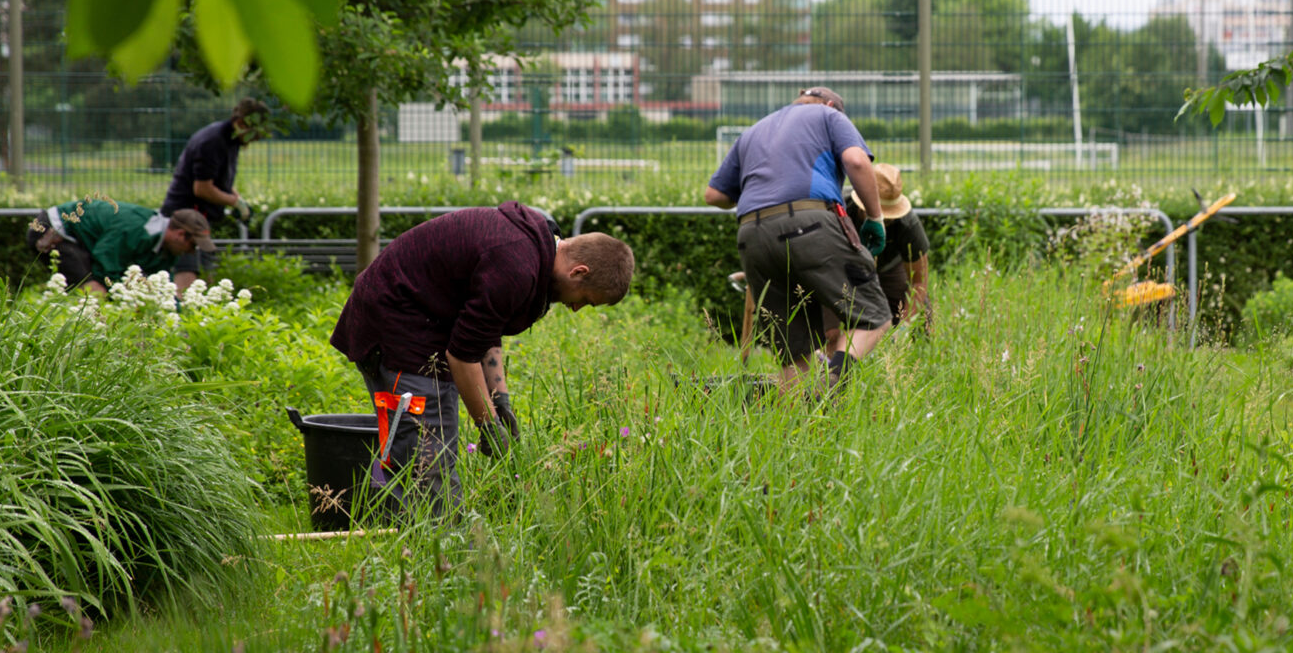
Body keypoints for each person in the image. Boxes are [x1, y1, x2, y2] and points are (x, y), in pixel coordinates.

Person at [328, 201, 634, 517]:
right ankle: (445, 551)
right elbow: (461, 356)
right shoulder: (517, 266)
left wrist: (500, 400)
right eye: (585, 300)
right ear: (578, 271)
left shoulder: (535, 247)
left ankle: (405, 536)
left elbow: (484, 329)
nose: (575, 309)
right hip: (395, 330)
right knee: (429, 456)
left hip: (416, 323)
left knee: (411, 449)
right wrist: (488, 425)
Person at [703, 86, 892, 398]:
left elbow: (715, 195)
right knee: (873, 317)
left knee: (794, 351)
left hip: (751, 234)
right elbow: (857, 162)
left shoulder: (753, 131)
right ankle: (834, 381)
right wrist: (875, 216)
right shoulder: (828, 114)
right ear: (832, 105)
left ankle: (801, 428)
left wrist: (764, 192)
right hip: (809, 224)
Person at [26, 199, 214, 294]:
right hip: (54, 231)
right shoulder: (136, 230)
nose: (192, 251)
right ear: (180, 235)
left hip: (80, 240)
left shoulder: (167, 248)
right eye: (192, 245)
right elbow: (105, 264)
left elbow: (162, 287)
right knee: (96, 290)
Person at [838, 163, 931, 335]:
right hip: (843, 268)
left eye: (888, 218)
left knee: (923, 312)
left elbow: (919, 281)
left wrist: (905, 326)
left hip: (890, 269)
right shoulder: (841, 209)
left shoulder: (908, 224)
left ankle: (919, 352)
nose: (883, 223)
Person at [160, 98, 272, 232]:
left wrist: (238, 200)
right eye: (256, 132)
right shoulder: (213, 142)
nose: (258, 138)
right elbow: (202, 189)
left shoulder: (232, 139)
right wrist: (234, 202)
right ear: (241, 124)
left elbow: (218, 181)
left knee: (206, 253)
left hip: (197, 219)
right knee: (195, 253)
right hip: (185, 221)